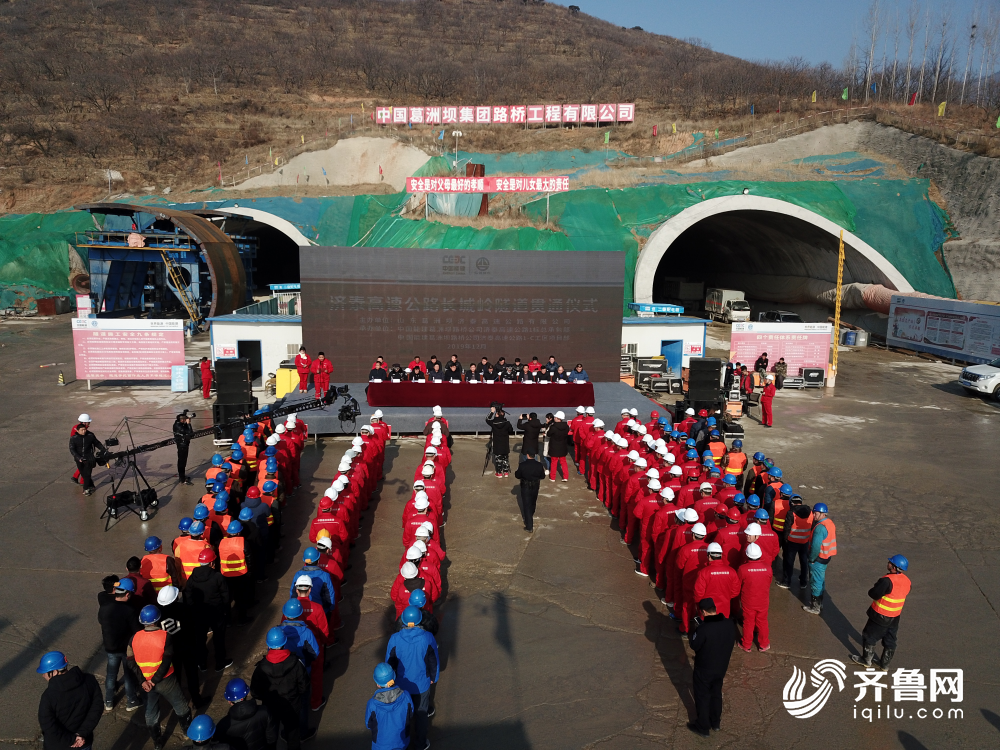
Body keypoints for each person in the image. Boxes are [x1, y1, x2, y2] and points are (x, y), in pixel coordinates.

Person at [132, 605, 193, 749]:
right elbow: (166, 661)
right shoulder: (165, 636)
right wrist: (154, 681)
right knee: (181, 705)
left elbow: (131, 662)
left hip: (146, 683)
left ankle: (157, 743)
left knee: (151, 711)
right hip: (165, 680)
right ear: (157, 619)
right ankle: (187, 732)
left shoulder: (134, 638)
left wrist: (144, 681)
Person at [386, 606, 439, 750]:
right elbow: (433, 660)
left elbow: (389, 663)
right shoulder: (427, 637)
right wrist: (434, 677)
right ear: (420, 620)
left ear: (402, 620)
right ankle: (420, 744)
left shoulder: (395, 638)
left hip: (401, 684)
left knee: (403, 713)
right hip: (422, 683)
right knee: (421, 714)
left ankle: (403, 741)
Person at [251, 628, 313, 748]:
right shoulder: (296, 663)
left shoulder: (260, 668)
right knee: (293, 737)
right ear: (284, 643)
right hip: (292, 706)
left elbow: (255, 692)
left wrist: (266, 698)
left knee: (270, 738)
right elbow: (304, 686)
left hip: (270, 708)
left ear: (268, 644)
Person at [851, 555, 910, 671]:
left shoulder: (887, 581)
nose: (888, 563)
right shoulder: (907, 581)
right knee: (890, 641)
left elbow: (874, 594)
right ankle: (884, 665)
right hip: (895, 617)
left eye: (890, 562)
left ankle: (866, 660)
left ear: (894, 567)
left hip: (880, 616)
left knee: (869, 636)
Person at [687, 598, 736, 737]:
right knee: (716, 693)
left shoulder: (704, 629)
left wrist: (698, 629)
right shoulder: (729, 623)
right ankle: (715, 722)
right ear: (714, 609)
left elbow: (694, 645)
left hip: (704, 668)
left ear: (702, 612)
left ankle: (703, 727)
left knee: (702, 696)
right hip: (721, 667)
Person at [36, 651, 103, 750]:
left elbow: (48, 725)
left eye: (45, 672)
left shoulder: (49, 696)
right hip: (84, 742)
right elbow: (97, 708)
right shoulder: (90, 681)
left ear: (54, 672)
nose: (43, 676)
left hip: (59, 745)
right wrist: (82, 734)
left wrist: (71, 740)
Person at [97, 578, 142, 711]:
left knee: (111, 674)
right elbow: (137, 631)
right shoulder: (129, 610)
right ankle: (132, 700)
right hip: (125, 648)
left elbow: (101, 622)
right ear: (127, 594)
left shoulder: (104, 608)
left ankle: (109, 701)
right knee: (128, 675)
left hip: (110, 647)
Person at [185, 548, 233, 673]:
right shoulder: (217, 577)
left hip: (199, 613)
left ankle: (202, 663)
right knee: (219, 637)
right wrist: (225, 610)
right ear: (212, 563)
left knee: (200, 638)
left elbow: (188, 595)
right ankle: (220, 663)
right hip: (216, 613)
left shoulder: (192, 577)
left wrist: (193, 610)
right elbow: (225, 595)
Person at [216, 677, 277, 750]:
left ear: (229, 701)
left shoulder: (223, 725)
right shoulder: (264, 711)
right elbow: (272, 738)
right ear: (247, 694)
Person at [366, 663, 413, 750]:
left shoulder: (372, 704)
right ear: (393, 678)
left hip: (380, 745)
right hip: (401, 742)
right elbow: (410, 714)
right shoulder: (406, 696)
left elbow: (369, 724)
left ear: (378, 684)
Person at [737, 543, 772, 652]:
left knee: (748, 622)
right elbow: (769, 582)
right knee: (762, 621)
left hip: (748, 601)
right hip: (763, 600)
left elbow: (738, 584)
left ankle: (746, 644)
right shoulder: (768, 568)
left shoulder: (743, 569)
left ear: (747, 555)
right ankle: (764, 644)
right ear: (760, 555)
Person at [802, 502, 836, 615]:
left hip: (818, 559)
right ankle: (820, 604)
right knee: (821, 580)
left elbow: (816, 546)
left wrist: (811, 559)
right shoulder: (829, 523)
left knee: (815, 582)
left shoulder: (819, 528)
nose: (813, 514)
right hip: (826, 557)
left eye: (815, 513)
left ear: (821, 514)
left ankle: (815, 607)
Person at [69, 422, 105, 496]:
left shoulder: (90, 435)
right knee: (83, 474)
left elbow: (97, 443)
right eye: (82, 430)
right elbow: (72, 449)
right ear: (77, 431)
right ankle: (91, 486)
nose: (84, 431)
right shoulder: (73, 438)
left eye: (85, 429)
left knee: (87, 474)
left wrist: (103, 450)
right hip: (79, 459)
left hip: (89, 458)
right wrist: (78, 458)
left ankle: (86, 489)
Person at [514, 452, 545, 532]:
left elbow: (517, 475)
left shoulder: (522, 465)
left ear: (527, 455)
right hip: (535, 486)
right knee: (533, 502)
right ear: (534, 455)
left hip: (525, 486)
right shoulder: (539, 465)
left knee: (526, 505)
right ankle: (530, 515)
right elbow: (542, 476)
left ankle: (529, 526)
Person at [486, 406, 514, 478]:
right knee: (505, 458)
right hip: (505, 443)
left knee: (498, 459)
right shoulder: (507, 423)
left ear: (497, 415)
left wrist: (492, 411)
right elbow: (511, 431)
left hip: (497, 443)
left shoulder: (494, 423)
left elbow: (487, 419)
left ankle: (499, 473)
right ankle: (506, 472)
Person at [546, 411, 571, 482]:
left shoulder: (553, 427)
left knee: (554, 462)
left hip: (554, 447)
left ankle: (553, 477)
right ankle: (565, 476)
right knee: (563, 462)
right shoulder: (566, 426)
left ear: (557, 418)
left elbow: (548, 434)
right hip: (563, 447)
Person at [174, 411, 194, 485]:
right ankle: (182, 479)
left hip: (184, 445)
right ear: (181, 420)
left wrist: (185, 413)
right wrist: (188, 424)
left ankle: (182, 476)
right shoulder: (179, 427)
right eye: (184, 419)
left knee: (183, 462)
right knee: (182, 463)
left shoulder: (179, 423)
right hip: (182, 446)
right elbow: (190, 434)